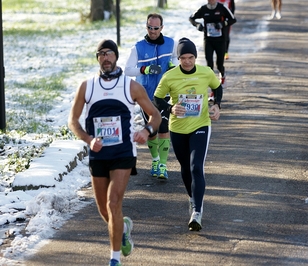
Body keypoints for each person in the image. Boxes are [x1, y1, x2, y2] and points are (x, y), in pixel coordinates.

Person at [68, 39, 161, 266]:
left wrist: (147, 131)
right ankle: (123, 229)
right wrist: (89, 140)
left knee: (113, 203)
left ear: (116, 57)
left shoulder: (130, 86)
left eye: (109, 54)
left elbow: (155, 115)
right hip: (98, 153)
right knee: (103, 208)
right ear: (97, 58)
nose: (105, 58)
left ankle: (114, 259)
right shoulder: (87, 86)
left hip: (122, 152)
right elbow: (73, 121)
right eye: (101, 54)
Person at [153, 37, 222, 231]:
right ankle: (192, 198)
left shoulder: (205, 72)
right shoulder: (170, 76)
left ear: (195, 57)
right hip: (178, 128)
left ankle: (197, 212)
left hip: (201, 124)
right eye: (183, 58)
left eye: (191, 57)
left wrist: (216, 105)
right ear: (179, 58)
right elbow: (157, 98)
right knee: (185, 167)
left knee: (195, 167)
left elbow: (217, 87)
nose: (188, 61)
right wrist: (170, 108)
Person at [125, 13, 179, 180]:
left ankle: (163, 165)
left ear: (161, 28)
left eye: (156, 28)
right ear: (146, 26)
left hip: (164, 94)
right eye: (149, 27)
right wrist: (144, 70)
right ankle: (155, 160)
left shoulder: (171, 44)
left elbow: (177, 60)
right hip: (145, 95)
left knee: (163, 127)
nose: (153, 31)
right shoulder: (138, 47)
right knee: (152, 130)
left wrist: (172, 66)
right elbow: (127, 70)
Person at [189, 0, 236, 88]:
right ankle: (213, 85)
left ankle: (222, 75)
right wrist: (197, 25)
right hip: (208, 40)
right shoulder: (203, 9)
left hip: (220, 40)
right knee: (209, 64)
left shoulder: (221, 8)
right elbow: (191, 18)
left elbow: (233, 19)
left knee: (219, 64)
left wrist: (222, 24)